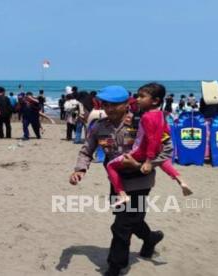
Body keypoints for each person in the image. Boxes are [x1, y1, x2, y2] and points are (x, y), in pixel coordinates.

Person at [69, 85, 176, 276]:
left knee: (121, 225)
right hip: (116, 181)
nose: (109, 109)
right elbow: (86, 150)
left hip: (140, 181)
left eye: (114, 105)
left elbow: (167, 150)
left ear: (127, 104)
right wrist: (80, 170)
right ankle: (150, 238)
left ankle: (115, 266)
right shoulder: (98, 126)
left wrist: (147, 164)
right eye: (106, 104)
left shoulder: (143, 122)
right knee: (131, 220)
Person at [105, 83, 192, 206]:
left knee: (110, 166)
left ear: (155, 101)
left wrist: (148, 160)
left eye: (142, 96)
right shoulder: (161, 114)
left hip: (140, 150)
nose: (137, 99)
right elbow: (163, 133)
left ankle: (122, 194)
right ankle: (181, 180)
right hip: (157, 148)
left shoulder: (147, 117)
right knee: (162, 161)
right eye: (137, 96)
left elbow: (153, 139)